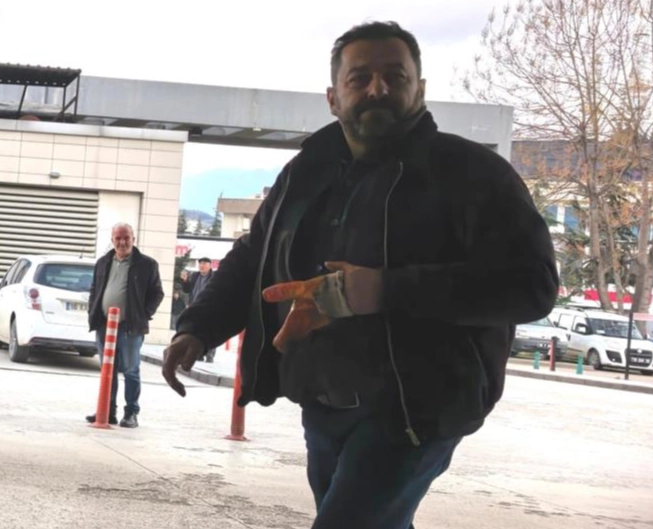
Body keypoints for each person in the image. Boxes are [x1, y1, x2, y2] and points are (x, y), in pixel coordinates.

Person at [163, 21, 558, 529]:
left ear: (420, 89)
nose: (378, 89)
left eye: (395, 76)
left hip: (417, 407)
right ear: (333, 97)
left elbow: (532, 285)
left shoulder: (473, 174)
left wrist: (386, 290)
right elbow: (252, 257)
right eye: (360, 78)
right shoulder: (304, 173)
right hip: (322, 398)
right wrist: (198, 328)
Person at [86, 222, 164, 428]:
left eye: (126, 238)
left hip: (130, 328)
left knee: (130, 369)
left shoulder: (147, 264)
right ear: (112, 240)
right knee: (107, 370)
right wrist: (92, 311)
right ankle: (107, 410)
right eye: (118, 238)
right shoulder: (103, 262)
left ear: (133, 239)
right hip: (104, 325)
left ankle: (131, 413)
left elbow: (157, 293)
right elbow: (94, 289)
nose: (122, 242)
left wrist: (143, 315)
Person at [181, 257, 217, 362]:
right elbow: (187, 290)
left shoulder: (215, 277)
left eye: (204, 264)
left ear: (210, 265)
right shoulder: (195, 276)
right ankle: (199, 354)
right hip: (195, 307)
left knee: (210, 331)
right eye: (200, 263)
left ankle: (210, 354)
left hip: (209, 307)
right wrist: (185, 281)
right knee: (197, 332)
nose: (202, 266)